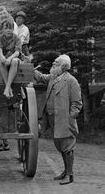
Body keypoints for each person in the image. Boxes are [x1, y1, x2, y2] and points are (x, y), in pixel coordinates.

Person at [34, 54, 82, 185]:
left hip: (64, 119)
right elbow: (41, 77)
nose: (53, 65)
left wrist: (70, 118)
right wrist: (30, 68)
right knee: (61, 146)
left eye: (56, 63)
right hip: (52, 118)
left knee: (67, 146)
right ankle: (65, 172)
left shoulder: (71, 81)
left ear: (64, 66)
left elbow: (77, 103)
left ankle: (70, 175)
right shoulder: (53, 77)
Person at [0, 17, 22, 99]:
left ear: (13, 29)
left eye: (10, 28)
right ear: (2, 29)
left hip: (13, 58)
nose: (8, 30)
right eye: (6, 28)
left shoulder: (17, 38)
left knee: (14, 61)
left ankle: (7, 87)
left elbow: (17, 52)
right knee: (0, 62)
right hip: (4, 59)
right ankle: (9, 88)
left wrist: (10, 58)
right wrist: (2, 57)